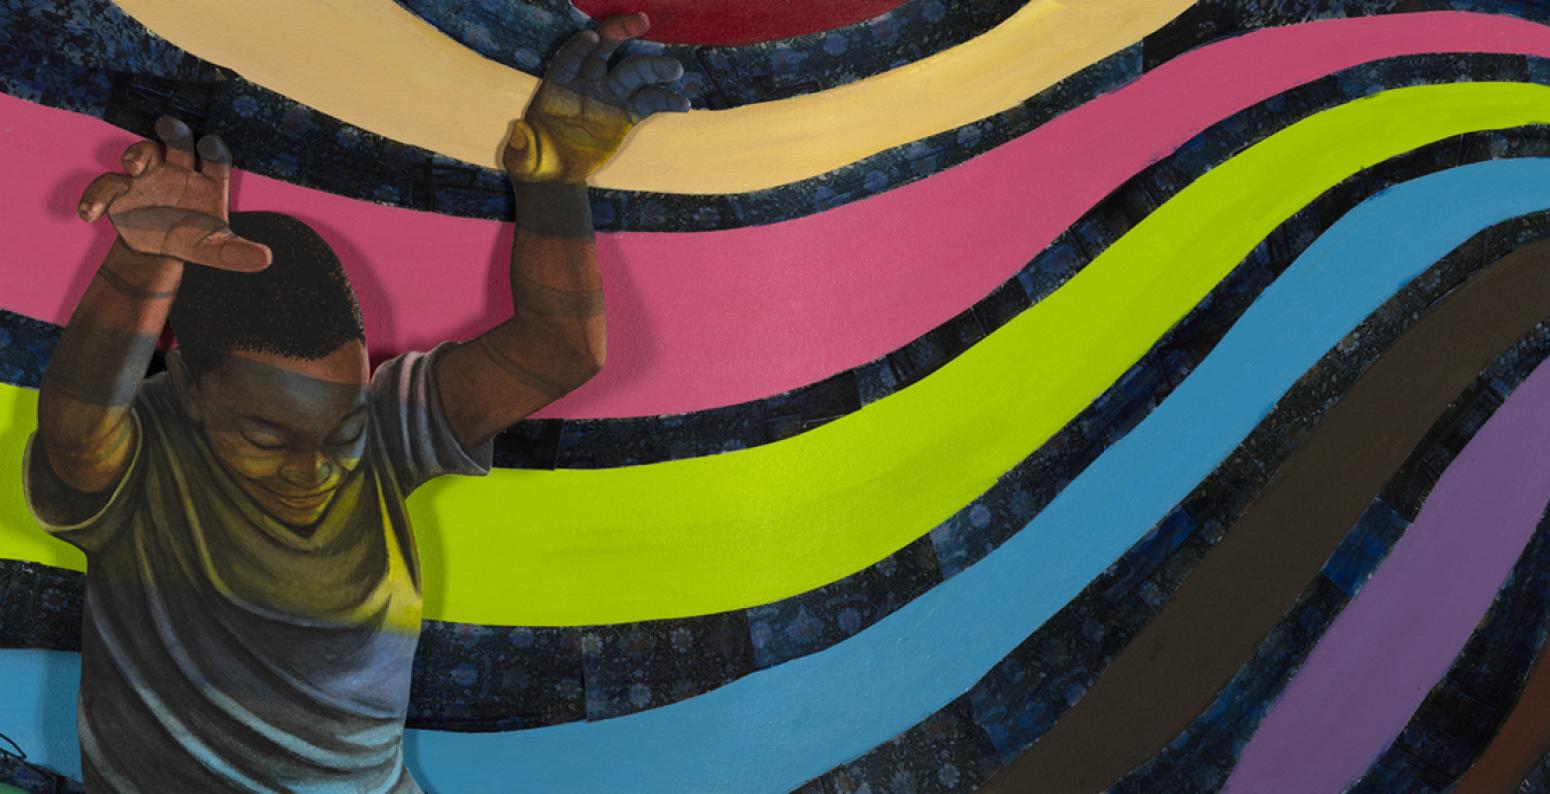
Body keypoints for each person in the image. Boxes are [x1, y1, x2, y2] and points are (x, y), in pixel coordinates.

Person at [22, 15, 688, 792]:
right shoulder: (141, 465)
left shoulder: (384, 433)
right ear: (190, 391)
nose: (314, 467)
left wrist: (555, 185)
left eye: (338, 432)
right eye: (264, 437)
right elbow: (76, 427)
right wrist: (140, 267)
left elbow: (561, 351)